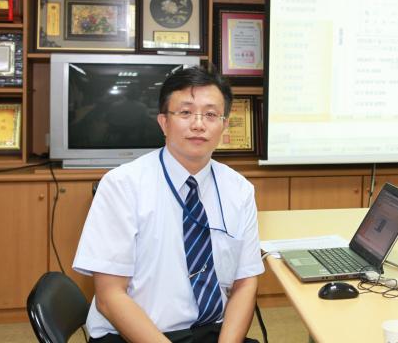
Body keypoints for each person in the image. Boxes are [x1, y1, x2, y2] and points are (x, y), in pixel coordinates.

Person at [73, 65, 264, 343]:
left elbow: (245, 282)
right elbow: (109, 296)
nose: (198, 124)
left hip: (211, 331)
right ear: (163, 122)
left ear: (224, 125)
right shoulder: (122, 185)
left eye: (211, 115)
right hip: (133, 334)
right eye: (185, 112)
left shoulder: (239, 190)